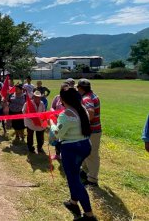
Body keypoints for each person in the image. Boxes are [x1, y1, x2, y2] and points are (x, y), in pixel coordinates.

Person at [49, 87, 97, 221]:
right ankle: (73, 202)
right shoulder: (82, 110)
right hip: (85, 146)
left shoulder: (66, 114)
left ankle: (89, 215)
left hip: (71, 149)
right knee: (73, 176)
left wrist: (52, 122)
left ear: (63, 99)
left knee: (75, 180)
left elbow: (57, 134)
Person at [77, 79, 101, 187]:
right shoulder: (93, 95)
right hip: (94, 130)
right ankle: (85, 172)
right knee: (87, 152)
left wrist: (82, 122)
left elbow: (90, 113)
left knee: (92, 155)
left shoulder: (86, 98)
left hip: (92, 131)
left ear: (81, 88)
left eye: (78, 88)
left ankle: (92, 179)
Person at [50, 83, 70, 159]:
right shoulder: (57, 97)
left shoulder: (70, 99)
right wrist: (54, 112)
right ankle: (57, 154)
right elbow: (52, 107)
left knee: (64, 138)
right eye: (63, 89)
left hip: (66, 121)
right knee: (57, 137)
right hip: (57, 120)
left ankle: (65, 155)